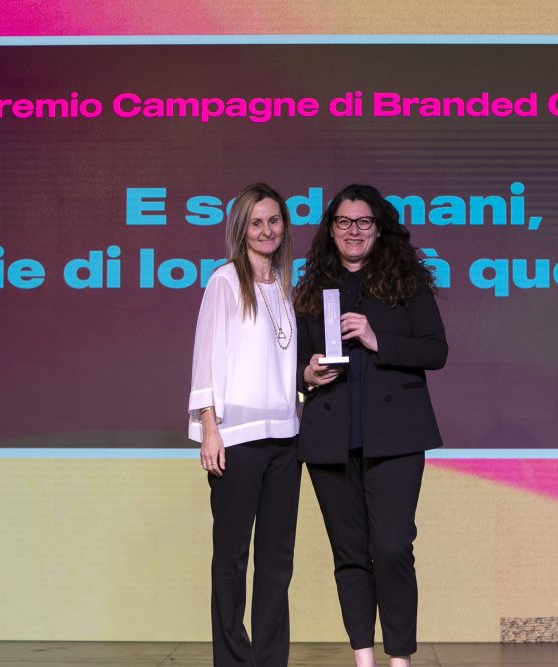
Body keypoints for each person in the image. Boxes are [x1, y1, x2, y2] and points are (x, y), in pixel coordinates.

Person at [294, 184, 447, 667]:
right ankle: (363, 658)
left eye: (363, 222)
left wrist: (379, 340)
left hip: (396, 438)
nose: (354, 231)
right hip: (330, 440)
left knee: (393, 546)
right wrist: (306, 374)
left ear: (379, 229)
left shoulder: (406, 283)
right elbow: (290, 363)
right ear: (331, 229)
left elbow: (436, 350)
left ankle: (399, 658)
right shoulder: (310, 289)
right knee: (350, 553)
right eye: (344, 222)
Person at [188, 183, 300, 667]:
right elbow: (205, 359)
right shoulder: (225, 281)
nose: (266, 230)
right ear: (241, 228)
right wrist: (209, 428)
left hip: (286, 440)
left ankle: (270, 659)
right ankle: (234, 659)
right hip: (236, 439)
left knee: (276, 562)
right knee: (232, 559)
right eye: (256, 222)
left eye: (273, 221)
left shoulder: (287, 285)